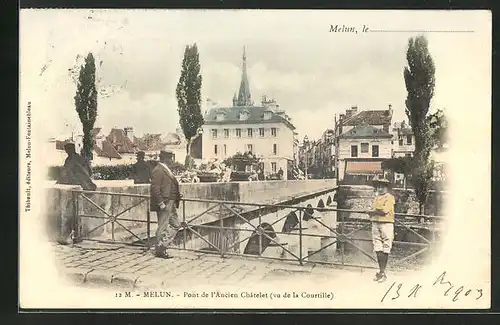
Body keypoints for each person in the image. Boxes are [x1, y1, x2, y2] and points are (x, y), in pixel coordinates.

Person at [150, 150, 182, 258]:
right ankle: (160, 250)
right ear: (165, 159)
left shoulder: (165, 169)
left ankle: (162, 246)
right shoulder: (158, 170)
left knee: (176, 224)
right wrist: (160, 203)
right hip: (165, 202)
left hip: (171, 202)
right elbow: (155, 188)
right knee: (162, 226)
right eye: (170, 158)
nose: (172, 161)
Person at [367, 178, 396, 283]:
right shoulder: (376, 197)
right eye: (378, 187)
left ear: (387, 188)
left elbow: (384, 210)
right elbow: (371, 210)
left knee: (385, 247)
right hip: (375, 223)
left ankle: (382, 273)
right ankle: (381, 272)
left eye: (382, 187)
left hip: (386, 224)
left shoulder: (390, 197)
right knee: (377, 247)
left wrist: (374, 210)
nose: (380, 188)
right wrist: (373, 211)